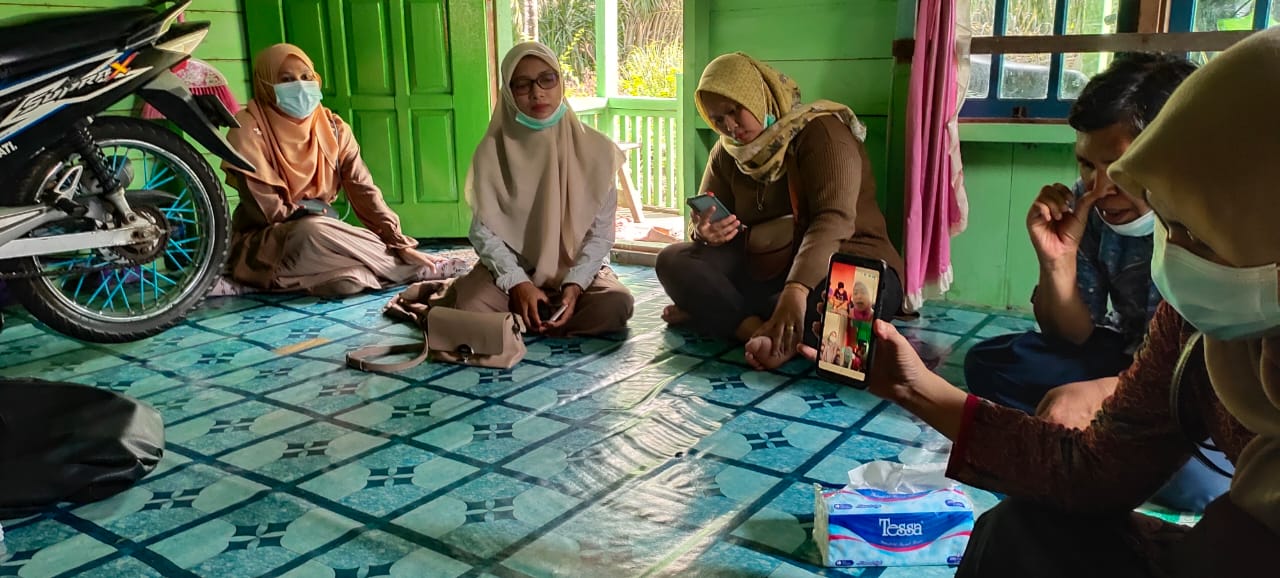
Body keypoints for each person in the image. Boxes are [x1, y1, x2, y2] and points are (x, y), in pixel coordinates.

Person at [802, 29, 1280, 576]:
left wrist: (1103, 393)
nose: (1177, 250)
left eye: (1198, 227)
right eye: (1171, 224)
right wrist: (913, 384)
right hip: (1132, 370)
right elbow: (1094, 465)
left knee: (1205, 492)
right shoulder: (1197, 317)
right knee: (1014, 525)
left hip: (1161, 420)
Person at [961, 53, 1230, 512]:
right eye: (1087, 165)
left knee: (1203, 482)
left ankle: (1105, 439)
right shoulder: (1090, 208)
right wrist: (1057, 260)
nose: (1100, 186)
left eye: (1119, 165)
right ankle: (1103, 437)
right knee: (992, 363)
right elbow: (1073, 335)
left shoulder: (1220, 221)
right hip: (1127, 354)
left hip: (1201, 386)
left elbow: (1215, 372)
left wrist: (1106, 395)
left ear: (1171, 150)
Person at [656, 52, 905, 371]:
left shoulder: (822, 132)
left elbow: (833, 219)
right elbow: (711, 213)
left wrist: (796, 289)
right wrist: (704, 233)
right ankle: (758, 332)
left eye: (735, 110)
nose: (731, 127)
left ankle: (732, 317)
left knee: (849, 319)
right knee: (673, 260)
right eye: (718, 120)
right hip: (767, 268)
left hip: (847, 258)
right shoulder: (727, 152)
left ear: (758, 96)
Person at [222, 44, 450, 296]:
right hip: (270, 242)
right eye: (286, 80)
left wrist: (396, 240)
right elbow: (267, 210)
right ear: (265, 84)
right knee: (314, 232)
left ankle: (352, 275)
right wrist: (313, 219)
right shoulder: (246, 128)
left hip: (320, 236)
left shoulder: (333, 128)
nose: (299, 85)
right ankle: (411, 271)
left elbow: (364, 190)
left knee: (352, 271)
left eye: (306, 77)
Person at [439, 42, 633, 337]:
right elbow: (483, 232)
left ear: (560, 83)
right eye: (522, 84)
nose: (537, 92)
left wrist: (576, 285)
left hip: (573, 270)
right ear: (508, 91)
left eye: (547, 79)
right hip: (513, 270)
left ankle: (529, 319)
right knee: (470, 305)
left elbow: (600, 235)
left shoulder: (596, 152)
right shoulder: (491, 153)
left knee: (615, 304)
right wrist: (518, 282)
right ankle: (536, 313)